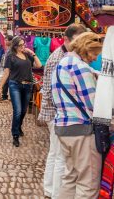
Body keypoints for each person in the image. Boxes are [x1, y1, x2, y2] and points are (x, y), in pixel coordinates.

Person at [51, 32, 103, 198]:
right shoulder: (80, 67)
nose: (95, 58)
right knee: (87, 184)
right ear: (85, 49)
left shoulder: (63, 63)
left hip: (64, 128)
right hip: (81, 130)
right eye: (94, 54)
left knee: (70, 177)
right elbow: (94, 104)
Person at [38, 24, 87, 199]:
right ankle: (56, 193)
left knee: (55, 154)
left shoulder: (64, 56)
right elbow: (51, 92)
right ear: (66, 39)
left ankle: (50, 190)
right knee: (59, 157)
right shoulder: (58, 58)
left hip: (58, 114)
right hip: (57, 114)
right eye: (76, 41)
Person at [0, 36, 42, 147]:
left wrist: (32, 53)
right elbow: (6, 73)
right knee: (17, 111)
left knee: (23, 111)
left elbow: (39, 65)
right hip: (15, 85)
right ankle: (15, 135)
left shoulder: (28, 55)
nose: (23, 46)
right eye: (21, 45)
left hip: (27, 86)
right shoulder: (10, 57)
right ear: (15, 46)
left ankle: (18, 126)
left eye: (24, 44)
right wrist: (0, 88)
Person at [0, 35, 13, 101]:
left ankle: (5, 96)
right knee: (6, 82)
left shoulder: (12, 49)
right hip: (6, 67)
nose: (5, 41)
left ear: (11, 41)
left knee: (6, 82)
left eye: (6, 40)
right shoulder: (8, 48)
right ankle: (5, 95)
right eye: (5, 40)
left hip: (9, 68)